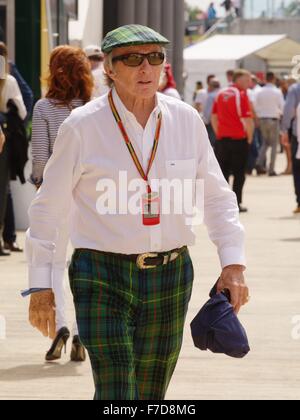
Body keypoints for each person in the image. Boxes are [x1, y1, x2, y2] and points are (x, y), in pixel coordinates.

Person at [26, 24, 249, 401]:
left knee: (150, 395)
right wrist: (40, 286)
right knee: (117, 391)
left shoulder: (186, 120)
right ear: (109, 69)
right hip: (101, 274)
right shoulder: (81, 127)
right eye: (131, 59)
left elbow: (217, 196)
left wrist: (233, 264)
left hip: (172, 274)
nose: (145, 68)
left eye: (155, 57)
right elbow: (47, 209)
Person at [29, 45, 94, 362]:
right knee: (86, 263)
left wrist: (38, 181)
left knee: (54, 263)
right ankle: (83, 332)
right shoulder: (95, 107)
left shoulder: (43, 107)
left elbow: (40, 158)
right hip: (90, 197)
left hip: (56, 195)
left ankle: (61, 327)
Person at [212, 69, 254, 212]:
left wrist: (219, 133)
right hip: (238, 140)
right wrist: (249, 138)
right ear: (239, 79)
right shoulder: (240, 94)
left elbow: (214, 117)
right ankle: (236, 203)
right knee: (239, 173)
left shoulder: (221, 93)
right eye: (247, 80)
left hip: (222, 140)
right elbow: (248, 119)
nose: (249, 83)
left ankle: (222, 203)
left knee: (222, 173)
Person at [0, 42, 26, 257]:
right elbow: (23, 111)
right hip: (5, 141)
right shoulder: (8, 80)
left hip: (4, 138)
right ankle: (6, 239)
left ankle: (8, 238)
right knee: (3, 191)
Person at [255, 72, 285, 177]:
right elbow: (282, 106)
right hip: (273, 119)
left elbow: (256, 106)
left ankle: (258, 162)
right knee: (274, 145)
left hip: (262, 119)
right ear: (273, 79)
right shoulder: (277, 91)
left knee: (265, 143)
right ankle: (271, 169)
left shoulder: (259, 91)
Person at [281, 81, 300, 214]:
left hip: (298, 134)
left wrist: (284, 130)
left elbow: (289, 111)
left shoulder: (295, 89)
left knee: (298, 169)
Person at [203, 78, 221, 147]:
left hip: (212, 123)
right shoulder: (222, 94)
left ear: (211, 86)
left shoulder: (211, 96)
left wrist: (205, 122)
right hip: (223, 122)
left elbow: (208, 112)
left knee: (212, 143)